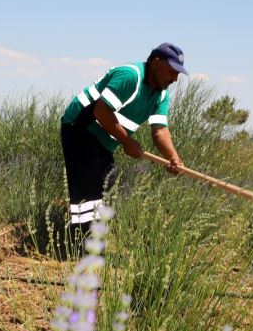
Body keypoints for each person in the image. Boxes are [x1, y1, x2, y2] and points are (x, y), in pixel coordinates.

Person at [60, 42, 187, 238]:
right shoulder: (130, 76)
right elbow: (101, 110)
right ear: (156, 62)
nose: (175, 78)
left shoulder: (162, 93)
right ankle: (83, 247)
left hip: (104, 140)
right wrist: (127, 142)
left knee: (106, 185)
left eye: (178, 74)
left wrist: (173, 158)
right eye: (172, 71)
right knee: (89, 189)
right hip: (80, 127)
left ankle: (83, 240)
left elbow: (160, 130)